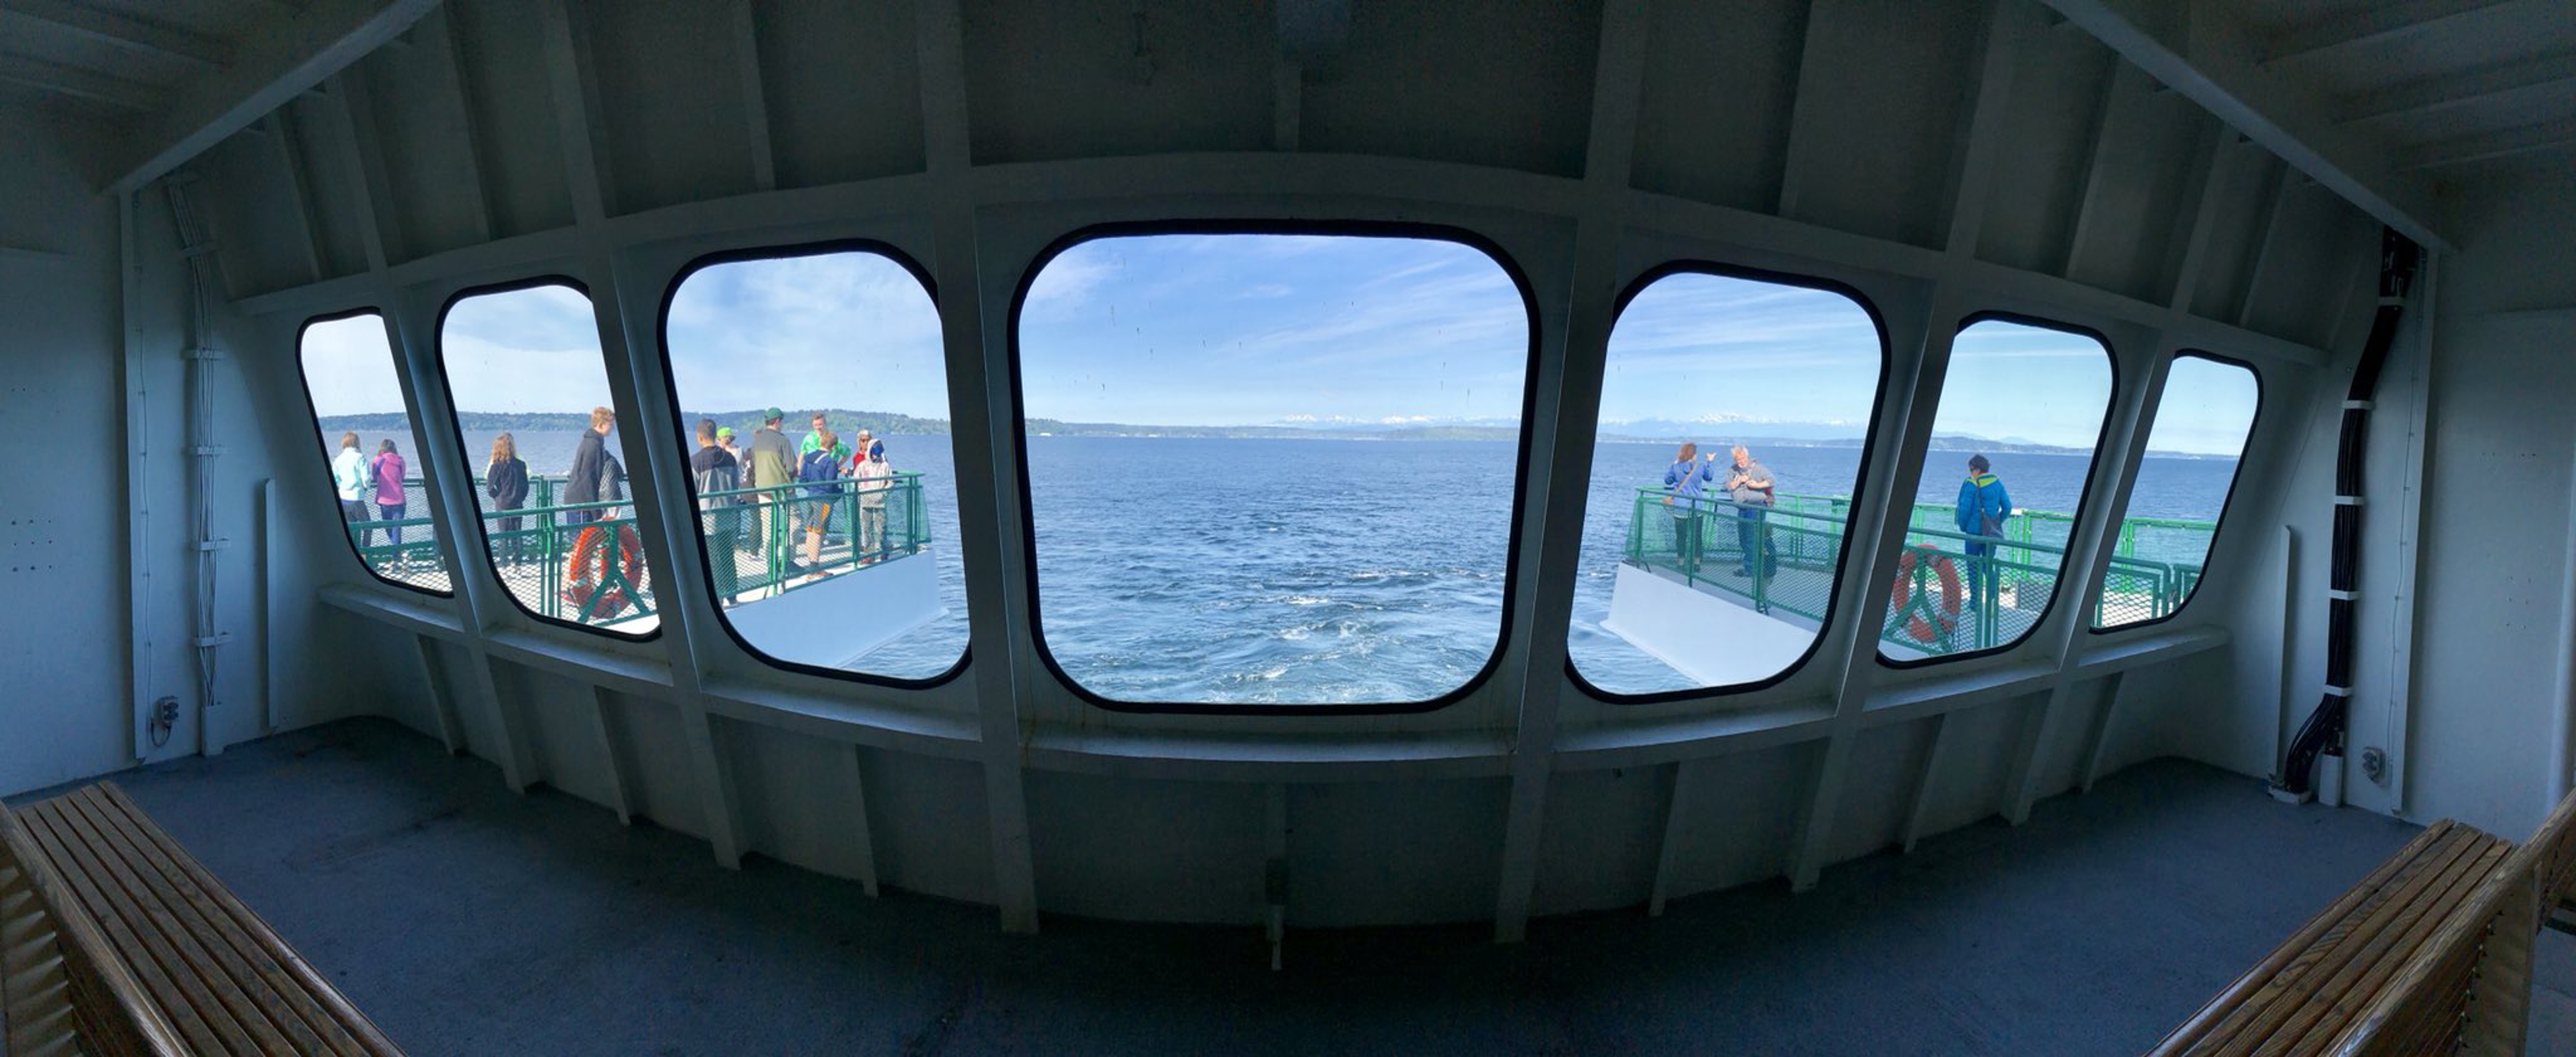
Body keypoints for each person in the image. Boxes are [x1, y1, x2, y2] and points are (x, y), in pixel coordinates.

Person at [691, 419, 742, 600]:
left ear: (699, 437)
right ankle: (732, 595)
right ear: (715, 435)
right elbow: (735, 485)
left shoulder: (696, 461)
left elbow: (692, 490)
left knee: (712, 559)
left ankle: (717, 597)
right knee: (728, 555)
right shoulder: (730, 458)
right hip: (728, 514)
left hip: (708, 519)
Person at [1956, 453, 2013, 616]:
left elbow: (1964, 510)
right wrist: (1996, 523)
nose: (1970, 472)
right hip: (1990, 534)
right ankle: (1992, 601)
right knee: (1988, 566)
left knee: (1973, 567)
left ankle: (1975, 603)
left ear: (1977, 469)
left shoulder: (1971, 484)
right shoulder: (1997, 483)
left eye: (1971, 469)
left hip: (1973, 534)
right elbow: (2007, 508)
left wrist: (1964, 526)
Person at [746, 408, 796, 572]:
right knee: (795, 522)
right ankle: (788, 561)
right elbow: (791, 467)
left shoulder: (757, 441)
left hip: (763, 490)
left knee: (769, 528)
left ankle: (771, 565)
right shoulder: (783, 441)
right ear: (778, 421)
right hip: (783, 490)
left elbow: (753, 466)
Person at [1663, 442, 1717, 577]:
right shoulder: (1701, 466)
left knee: (1681, 537)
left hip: (1681, 507)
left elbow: (1667, 480)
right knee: (1697, 537)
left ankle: (1681, 562)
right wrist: (1710, 462)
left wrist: (1674, 464)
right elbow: (1709, 477)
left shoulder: (1676, 467)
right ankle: (1696, 563)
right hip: (1697, 507)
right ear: (1694, 454)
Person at [1723, 445, 1776, 579]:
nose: (1740, 462)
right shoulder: (1733, 470)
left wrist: (1757, 485)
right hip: (1742, 508)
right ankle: (1750, 566)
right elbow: (1727, 486)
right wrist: (1738, 482)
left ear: (1747, 457)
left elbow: (1772, 480)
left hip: (1756, 507)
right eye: (1737, 459)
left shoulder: (1758, 468)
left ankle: (1752, 569)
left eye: (1742, 459)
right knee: (1743, 538)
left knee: (1751, 538)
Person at [796, 427, 843, 581]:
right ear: (833, 446)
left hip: (810, 497)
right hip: (823, 500)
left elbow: (803, 480)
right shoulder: (830, 461)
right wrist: (839, 491)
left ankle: (812, 564)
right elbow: (830, 485)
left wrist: (812, 489)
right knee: (818, 532)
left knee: (810, 531)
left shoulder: (809, 457)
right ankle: (814, 568)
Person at [563, 406, 614, 527]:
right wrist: (595, 509)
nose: (612, 428)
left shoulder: (595, 443)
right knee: (582, 538)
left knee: (586, 538)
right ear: (601, 425)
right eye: (610, 425)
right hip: (581, 502)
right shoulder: (592, 445)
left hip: (582, 501)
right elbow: (587, 478)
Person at [485, 433, 530, 564]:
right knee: (517, 534)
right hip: (517, 504)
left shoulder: (496, 466)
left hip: (502, 505)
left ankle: (504, 562)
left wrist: (498, 497)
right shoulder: (521, 465)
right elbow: (526, 487)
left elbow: (490, 488)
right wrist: (519, 498)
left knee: (503, 535)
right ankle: (518, 562)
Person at [851, 439, 891, 560]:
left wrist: (883, 493)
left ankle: (883, 550)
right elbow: (854, 481)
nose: (875, 457)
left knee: (881, 527)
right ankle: (869, 554)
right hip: (865, 500)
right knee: (866, 527)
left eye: (878, 454)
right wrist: (861, 491)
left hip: (880, 501)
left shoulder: (885, 466)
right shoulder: (862, 465)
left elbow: (890, 482)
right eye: (874, 454)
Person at [370, 439, 409, 559]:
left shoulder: (377, 460)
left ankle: (396, 555)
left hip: (384, 500)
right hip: (399, 499)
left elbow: (374, 477)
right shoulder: (400, 460)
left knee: (388, 527)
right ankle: (397, 555)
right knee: (397, 529)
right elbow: (402, 477)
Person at [330, 431, 372, 541]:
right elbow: (366, 478)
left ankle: (354, 549)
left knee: (352, 529)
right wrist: (365, 488)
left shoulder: (338, 459)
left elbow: (335, 479)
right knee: (368, 527)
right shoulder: (360, 457)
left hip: (343, 498)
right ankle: (365, 550)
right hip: (356, 498)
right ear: (357, 442)